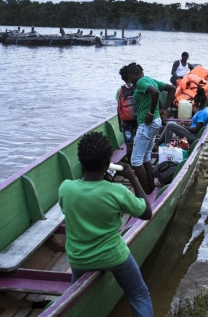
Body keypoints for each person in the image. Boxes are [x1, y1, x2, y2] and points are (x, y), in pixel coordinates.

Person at [58, 132, 153, 317]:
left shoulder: (65, 189)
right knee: (138, 294)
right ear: (108, 162)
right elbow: (147, 213)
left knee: (74, 297)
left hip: (79, 259)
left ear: (80, 160)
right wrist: (132, 177)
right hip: (114, 257)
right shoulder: (116, 191)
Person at [126, 62, 176, 193]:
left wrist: (151, 112)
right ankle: (151, 189)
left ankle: (146, 193)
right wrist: (164, 109)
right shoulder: (150, 80)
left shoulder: (141, 82)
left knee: (136, 162)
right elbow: (171, 89)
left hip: (147, 123)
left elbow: (155, 93)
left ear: (131, 76)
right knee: (146, 157)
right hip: (156, 122)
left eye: (129, 78)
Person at [116, 65, 137, 162]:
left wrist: (120, 123)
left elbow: (119, 107)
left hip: (126, 121)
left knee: (129, 144)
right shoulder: (138, 87)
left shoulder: (120, 90)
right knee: (138, 143)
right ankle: (139, 163)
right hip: (138, 120)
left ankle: (130, 164)